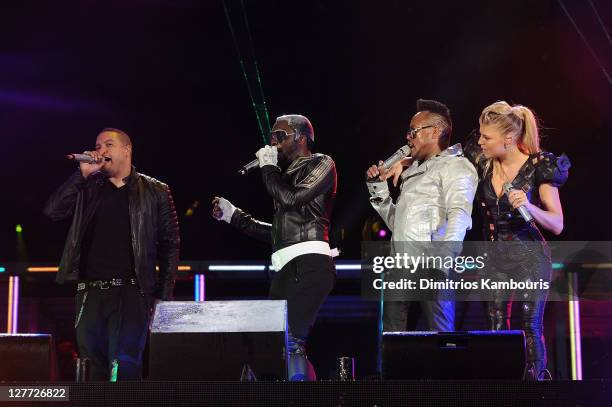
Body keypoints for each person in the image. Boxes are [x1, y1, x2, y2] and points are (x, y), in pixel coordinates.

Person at [44, 128, 180, 380]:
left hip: (130, 293)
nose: (101, 151)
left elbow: (170, 245)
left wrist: (163, 296)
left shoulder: (155, 190)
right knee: (91, 366)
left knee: (124, 366)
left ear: (126, 150)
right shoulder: (88, 187)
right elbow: (53, 211)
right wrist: (80, 177)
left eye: (108, 144)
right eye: (97, 145)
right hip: (90, 292)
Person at [212, 114, 337, 381]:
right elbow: (280, 233)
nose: (273, 142)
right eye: (271, 137)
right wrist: (234, 216)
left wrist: (268, 168)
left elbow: (291, 199)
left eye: (280, 136)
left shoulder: (321, 163)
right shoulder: (283, 176)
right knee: (274, 343)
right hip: (287, 267)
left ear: (302, 138)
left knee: (292, 340)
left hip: (310, 264)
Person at [464, 101, 570, 380]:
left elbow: (557, 224)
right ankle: (503, 387)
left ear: (508, 140)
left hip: (530, 258)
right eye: (481, 135)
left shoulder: (539, 166)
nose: (480, 141)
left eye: (487, 137)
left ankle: (534, 387)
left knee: (530, 325)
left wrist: (531, 207)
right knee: (495, 324)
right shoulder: (484, 162)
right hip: (493, 259)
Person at [366, 99, 477, 332]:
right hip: (401, 266)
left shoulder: (456, 166)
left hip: (433, 265)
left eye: (413, 131)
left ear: (435, 131)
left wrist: (444, 259)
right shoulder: (413, 171)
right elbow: (400, 224)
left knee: (440, 338)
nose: (408, 137)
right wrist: (379, 189)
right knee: (392, 341)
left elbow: (459, 215)